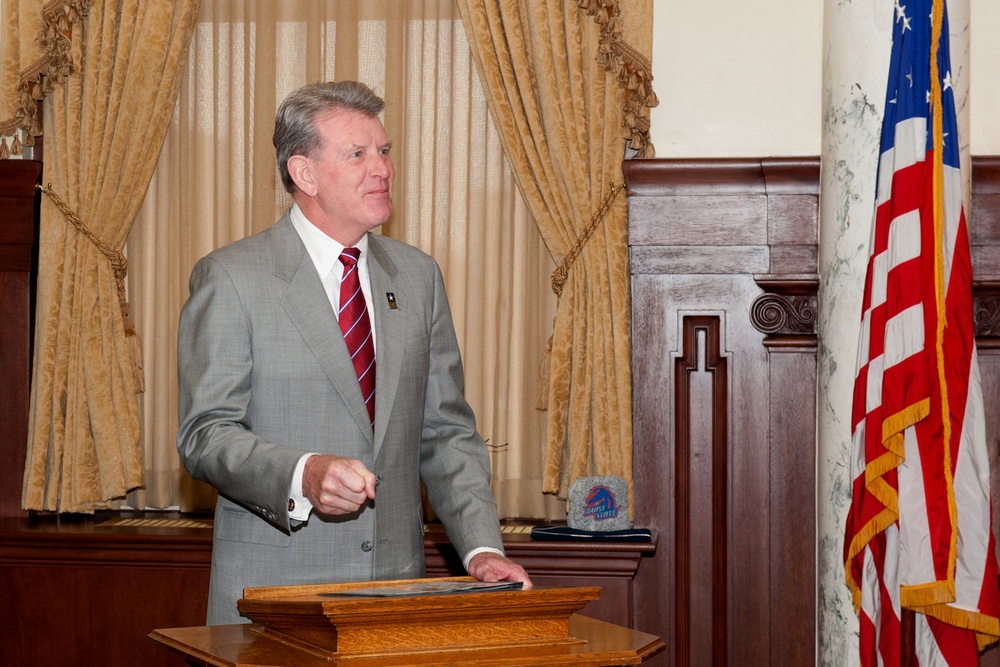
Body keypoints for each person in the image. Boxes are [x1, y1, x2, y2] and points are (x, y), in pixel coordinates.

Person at [177, 80, 532, 625]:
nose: (383, 169)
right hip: (275, 600)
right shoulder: (232, 277)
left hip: (395, 597)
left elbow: (446, 433)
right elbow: (205, 436)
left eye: (384, 151)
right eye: (358, 154)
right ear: (305, 173)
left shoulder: (417, 276)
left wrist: (482, 550)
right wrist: (304, 472)